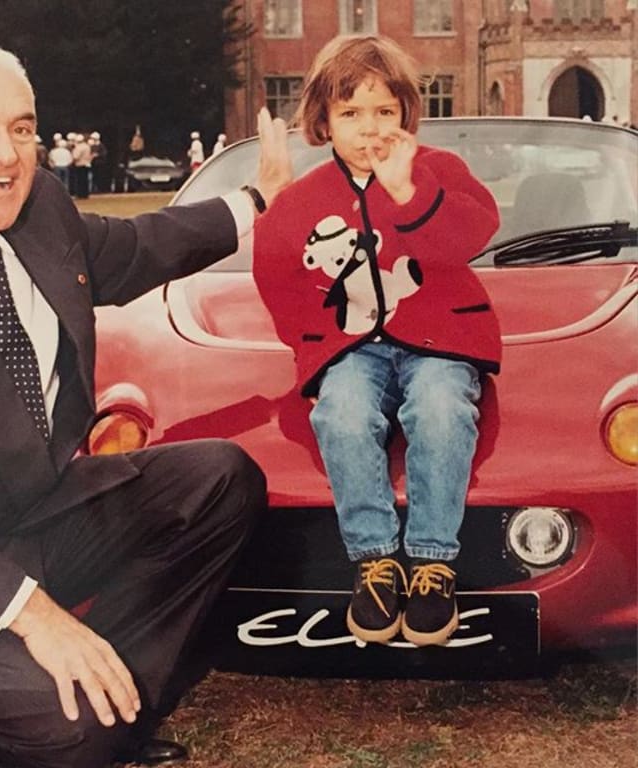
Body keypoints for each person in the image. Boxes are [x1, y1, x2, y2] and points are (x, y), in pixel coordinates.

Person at [0, 41, 291, 768]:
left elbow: (137, 246)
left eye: (23, 127)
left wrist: (256, 202)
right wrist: (35, 618)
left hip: (35, 517)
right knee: (73, 734)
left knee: (220, 478)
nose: (5, 152)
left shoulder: (41, 208)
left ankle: (108, 692)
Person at [253, 35, 500, 649]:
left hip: (440, 339)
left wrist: (406, 193)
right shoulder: (304, 197)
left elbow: (474, 232)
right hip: (352, 346)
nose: (370, 130)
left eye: (384, 112)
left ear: (406, 115)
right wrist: (313, 343)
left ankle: (433, 562)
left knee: (442, 409)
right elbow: (277, 274)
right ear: (323, 121)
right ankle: (375, 563)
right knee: (341, 410)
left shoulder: (437, 171)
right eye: (351, 113)